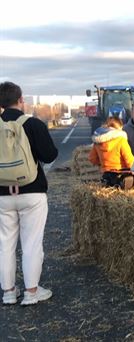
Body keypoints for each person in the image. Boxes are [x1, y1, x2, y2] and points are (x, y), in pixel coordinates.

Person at [0, 81, 58, 305]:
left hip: (2, 195)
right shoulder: (33, 124)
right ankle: (32, 292)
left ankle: (8, 292)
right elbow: (50, 155)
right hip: (32, 192)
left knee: (5, 244)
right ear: (21, 99)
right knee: (32, 243)